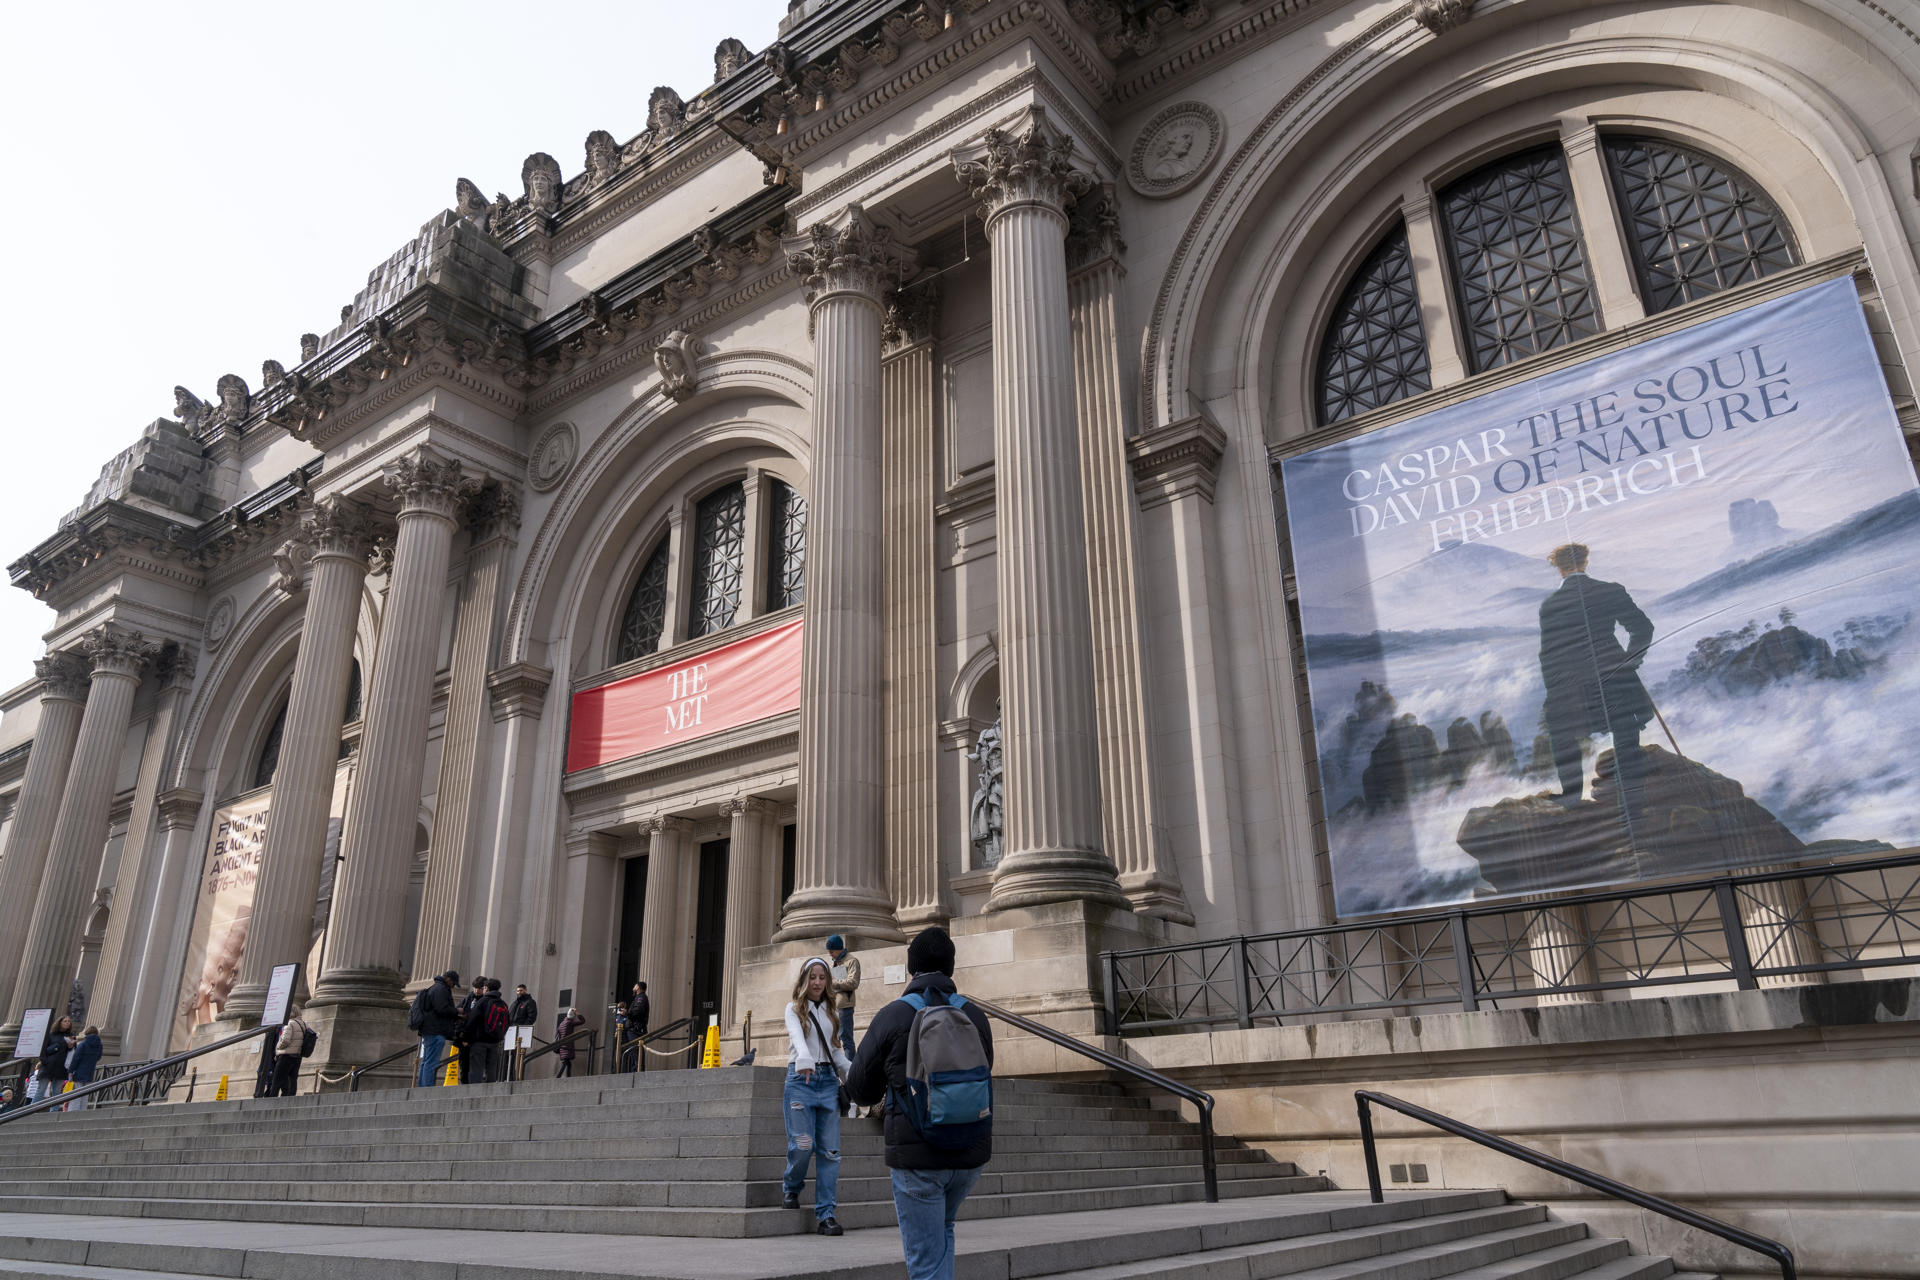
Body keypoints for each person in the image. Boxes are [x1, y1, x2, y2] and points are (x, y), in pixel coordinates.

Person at [847, 927, 994, 1280]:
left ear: (912, 967)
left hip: (918, 1156)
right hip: (969, 1153)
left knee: (925, 1265)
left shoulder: (894, 1014)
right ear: (950, 968)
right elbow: (986, 1068)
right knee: (943, 1231)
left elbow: (859, 1088)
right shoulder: (974, 1015)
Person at [1539, 543, 1655, 825]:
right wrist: (1630, 663)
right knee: (1627, 740)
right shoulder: (1610, 590)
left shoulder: (1551, 605)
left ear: (1558, 566)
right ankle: (1633, 812)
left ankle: (1570, 797)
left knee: (1562, 735)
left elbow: (1549, 655)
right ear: (1586, 561)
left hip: (1571, 686)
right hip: (1615, 677)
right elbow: (1643, 629)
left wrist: (1554, 692)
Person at [782, 956, 850, 1235]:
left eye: (822, 977)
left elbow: (837, 1053)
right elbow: (798, 1037)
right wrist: (805, 1058)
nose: (818, 983)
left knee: (831, 1153)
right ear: (804, 980)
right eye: (813, 977)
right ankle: (791, 1186)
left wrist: (857, 1076)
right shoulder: (793, 1009)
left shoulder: (833, 1013)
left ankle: (826, 1214)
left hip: (827, 1083)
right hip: (800, 1080)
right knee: (802, 1145)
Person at [411, 970, 461, 1087]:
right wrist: (456, 1012)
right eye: (453, 983)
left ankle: (422, 1087)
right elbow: (442, 1008)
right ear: (448, 980)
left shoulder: (435, 988)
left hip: (430, 1030)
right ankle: (427, 1089)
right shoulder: (441, 989)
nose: (453, 986)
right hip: (436, 1030)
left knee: (426, 1061)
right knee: (431, 1062)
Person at [462, 979, 510, 1084]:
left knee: (476, 1069)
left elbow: (472, 1021)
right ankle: (491, 1090)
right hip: (495, 1041)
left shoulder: (482, 1002)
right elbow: (507, 1022)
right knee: (491, 1069)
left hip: (479, 1041)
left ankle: (475, 1092)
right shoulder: (503, 1003)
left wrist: (465, 1038)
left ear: (486, 988)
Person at [826, 934, 860, 1052]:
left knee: (847, 1040)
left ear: (838, 948)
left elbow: (853, 982)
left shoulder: (852, 961)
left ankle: (851, 1069)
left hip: (845, 1007)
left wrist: (832, 983)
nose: (829, 953)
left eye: (831, 951)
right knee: (833, 1040)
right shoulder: (836, 962)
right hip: (834, 1006)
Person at [33, 1016, 74, 1105]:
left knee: (56, 1092)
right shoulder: (50, 1035)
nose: (67, 1023)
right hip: (47, 1066)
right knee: (41, 1090)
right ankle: (30, 1111)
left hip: (61, 1068)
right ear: (59, 1022)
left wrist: (70, 1047)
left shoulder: (70, 1036)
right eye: (65, 1021)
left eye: (69, 1021)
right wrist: (45, 1062)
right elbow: (42, 1050)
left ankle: (53, 1111)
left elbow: (72, 1053)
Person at [270, 1010, 309, 1097]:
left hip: (286, 1055)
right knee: (292, 1078)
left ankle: (272, 1098)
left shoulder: (290, 1023)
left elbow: (285, 1040)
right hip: (297, 1055)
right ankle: (290, 1097)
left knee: (277, 1078)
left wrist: (278, 1048)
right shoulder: (305, 1024)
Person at [65, 1025, 103, 1111]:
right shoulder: (99, 1045)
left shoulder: (83, 1044)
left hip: (79, 1071)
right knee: (85, 1094)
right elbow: (98, 1057)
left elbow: (76, 1058)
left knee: (77, 1093)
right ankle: (82, 1110)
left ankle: (73, 1111)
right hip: (90, 1071)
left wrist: (71, 1071)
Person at [623, 982, 650, 1071]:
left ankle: (637, 1070)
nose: (633, 987)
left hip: (636, 1029)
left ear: (638, 987)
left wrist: (626, 1013)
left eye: (635, 985)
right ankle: (635, 1069)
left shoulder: (641, 998)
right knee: (634, 1051)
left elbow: (638, 1011)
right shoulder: (639, 997)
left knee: (636, 1051)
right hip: (634, 1028)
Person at [251, 1022, 280, 1099]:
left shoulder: (281, 1028)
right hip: (271, 1054)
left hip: (274, 1054)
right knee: (264, 1071)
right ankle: (263, 1092)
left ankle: (268, 1092)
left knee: (270, 1072)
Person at [554, 1007, 585, 1078]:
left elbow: (557, 1035)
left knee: (568, 1063)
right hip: (567, 1047)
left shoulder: (562, 1023)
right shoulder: (570, 1023)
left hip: (562, 1046)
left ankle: (568, 1078)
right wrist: (577, 1013)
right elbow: (583, 1021)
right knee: (565, 1063)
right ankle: (557, 1077)